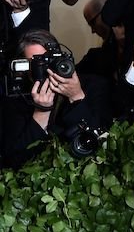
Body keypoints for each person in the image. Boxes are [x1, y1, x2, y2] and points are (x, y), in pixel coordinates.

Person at [2, 29, 112, 169]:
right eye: (36, 64)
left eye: (47, 61)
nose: (44, 70)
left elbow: (103, 146)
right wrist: (41, 113)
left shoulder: (94, 86)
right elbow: (13, 161)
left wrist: (77, 97)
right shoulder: (17, 98)